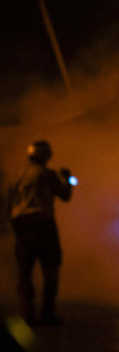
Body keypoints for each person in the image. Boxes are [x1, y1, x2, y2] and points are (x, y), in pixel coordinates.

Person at [4, 140, 73, 326]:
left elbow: (7, 201)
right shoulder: (47, 174)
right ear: (46, 155)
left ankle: (28, 315)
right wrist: (68, 180)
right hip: (43, 224)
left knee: (25, 271)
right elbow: (65, 196)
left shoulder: (15, 174)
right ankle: (47, 314)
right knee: (51, 269)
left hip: (20, 225)